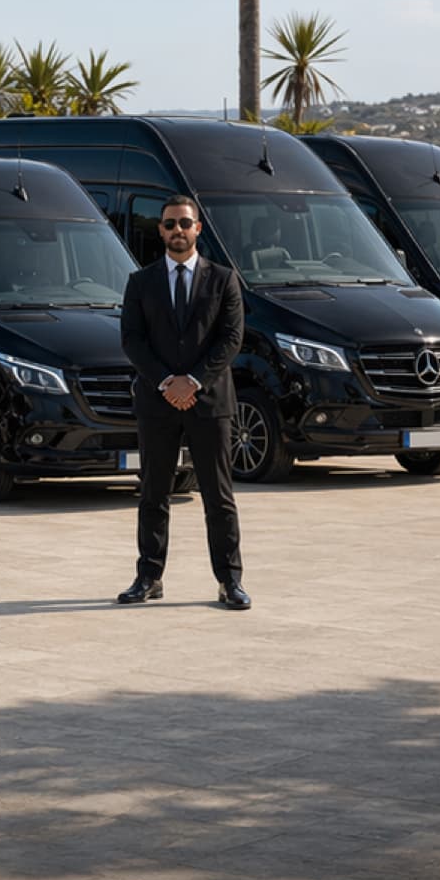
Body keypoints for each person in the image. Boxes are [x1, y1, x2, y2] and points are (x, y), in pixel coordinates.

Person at [118, 195, 250, 611]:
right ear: (160, 230)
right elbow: (132, 340)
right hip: (157, 404)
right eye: (170, 224)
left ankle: (229, 581)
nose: (178, 230)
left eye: (185, 223)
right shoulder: (140, 282)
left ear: (198, 228)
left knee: (219, 497)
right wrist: (166, 382)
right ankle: (149, 577)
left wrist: (192, 382)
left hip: (209, 403)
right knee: (153, 494)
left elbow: (231, 339)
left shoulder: (224, 280)